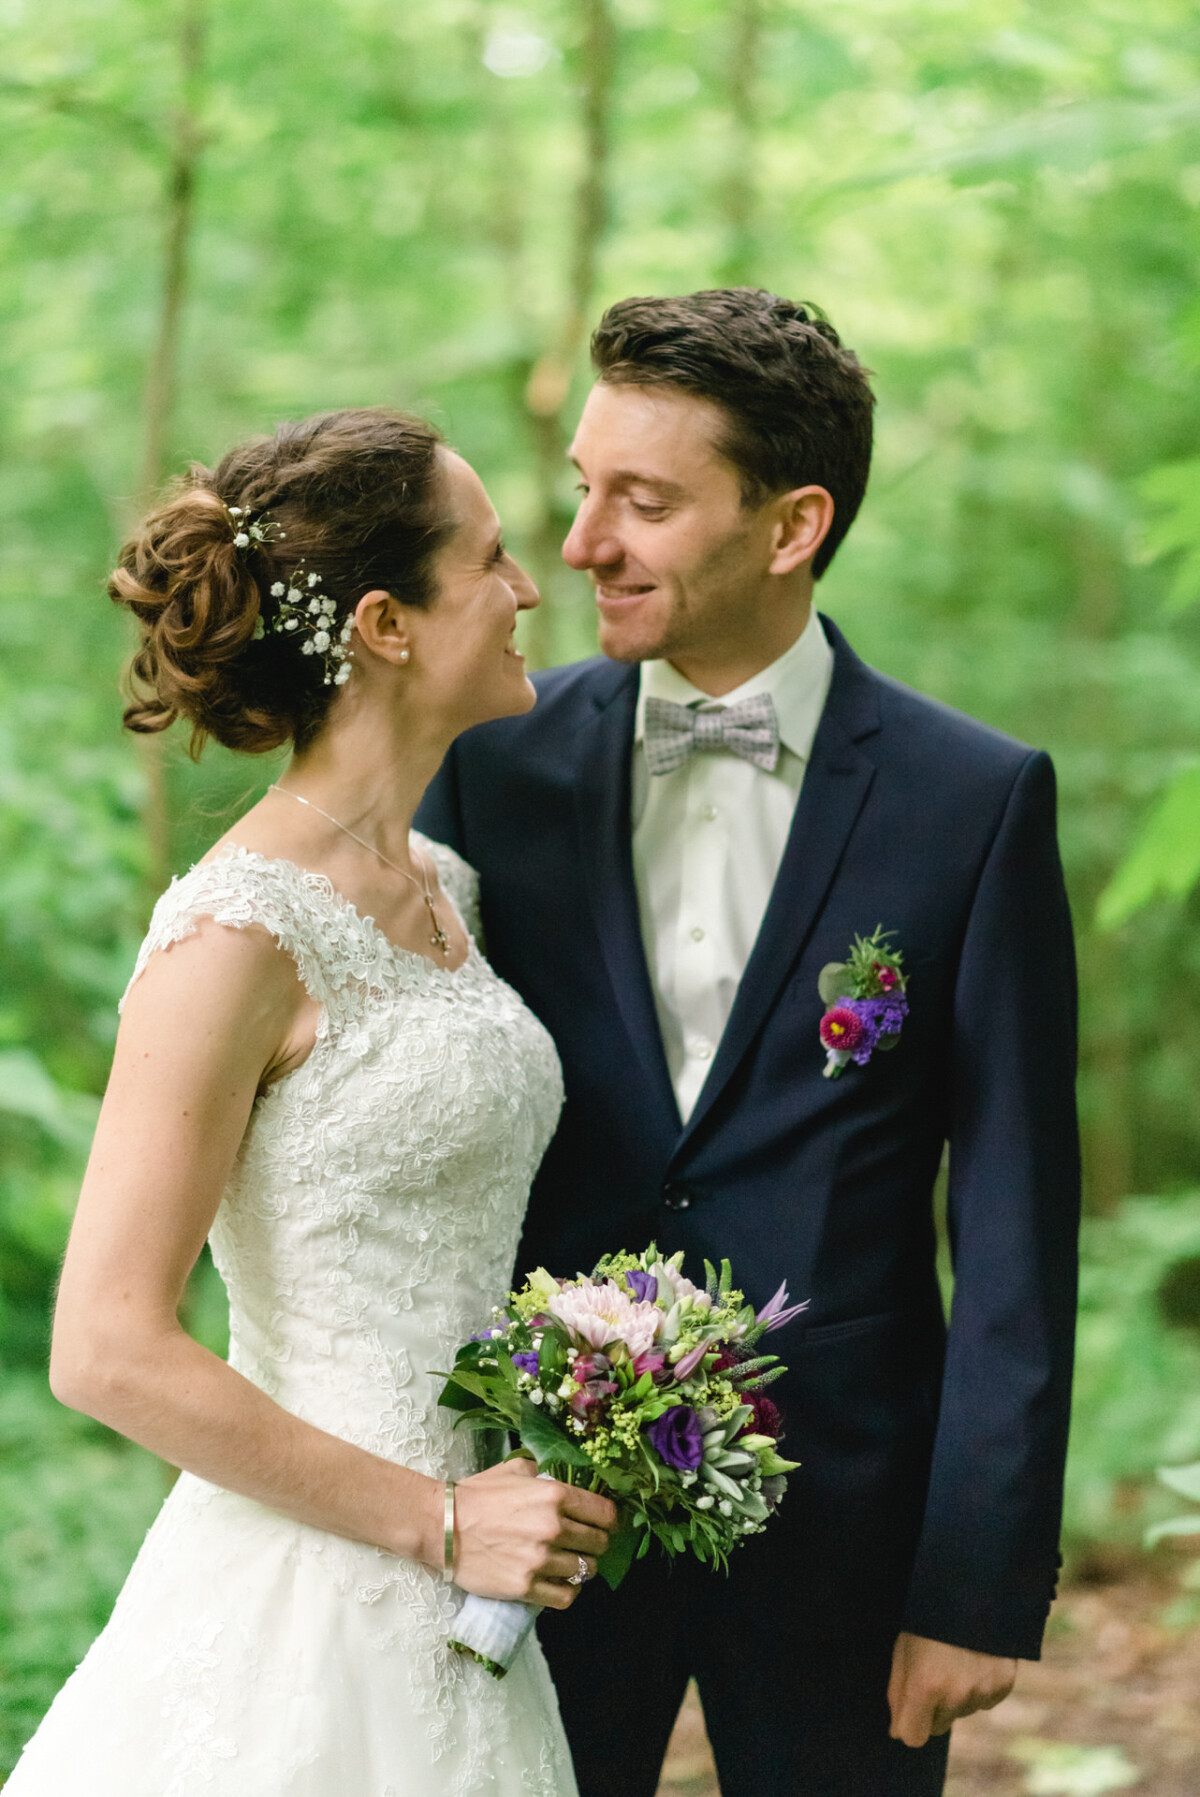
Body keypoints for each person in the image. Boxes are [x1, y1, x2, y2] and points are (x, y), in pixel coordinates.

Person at [417, 289, 1081, 1797]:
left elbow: (1016, 1227)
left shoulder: (972, 802)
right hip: (541, 1517)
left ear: (791, 527)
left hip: (848, 1529)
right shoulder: (483, 765)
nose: (581, 544)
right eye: (584, 486)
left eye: (641, 501)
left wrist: (974, 1581)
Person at [6, 407, 614, 1797]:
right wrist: (437, 1518)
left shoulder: (446, 890)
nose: (531, 590)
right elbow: (101, 1343)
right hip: (331, 1575)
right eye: (495, 560)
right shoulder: (234, 930)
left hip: (476, 1593)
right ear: (390, 623)